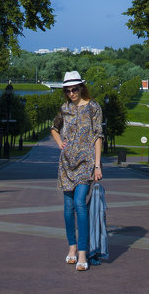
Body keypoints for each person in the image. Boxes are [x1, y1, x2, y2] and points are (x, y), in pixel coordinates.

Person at [50, 70, 103, 271]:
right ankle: (71, 248)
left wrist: (97, 165)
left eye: (75, 89)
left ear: (81, 87)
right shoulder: (64, 109)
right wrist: (60, 144)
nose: (72, 93)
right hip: (66, 164)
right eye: (68, 90)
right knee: (67, 208)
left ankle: (82, 252)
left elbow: (98, 136)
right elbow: (54, 128)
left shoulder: (93, 107)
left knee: (80, 203)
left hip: (86, 162)